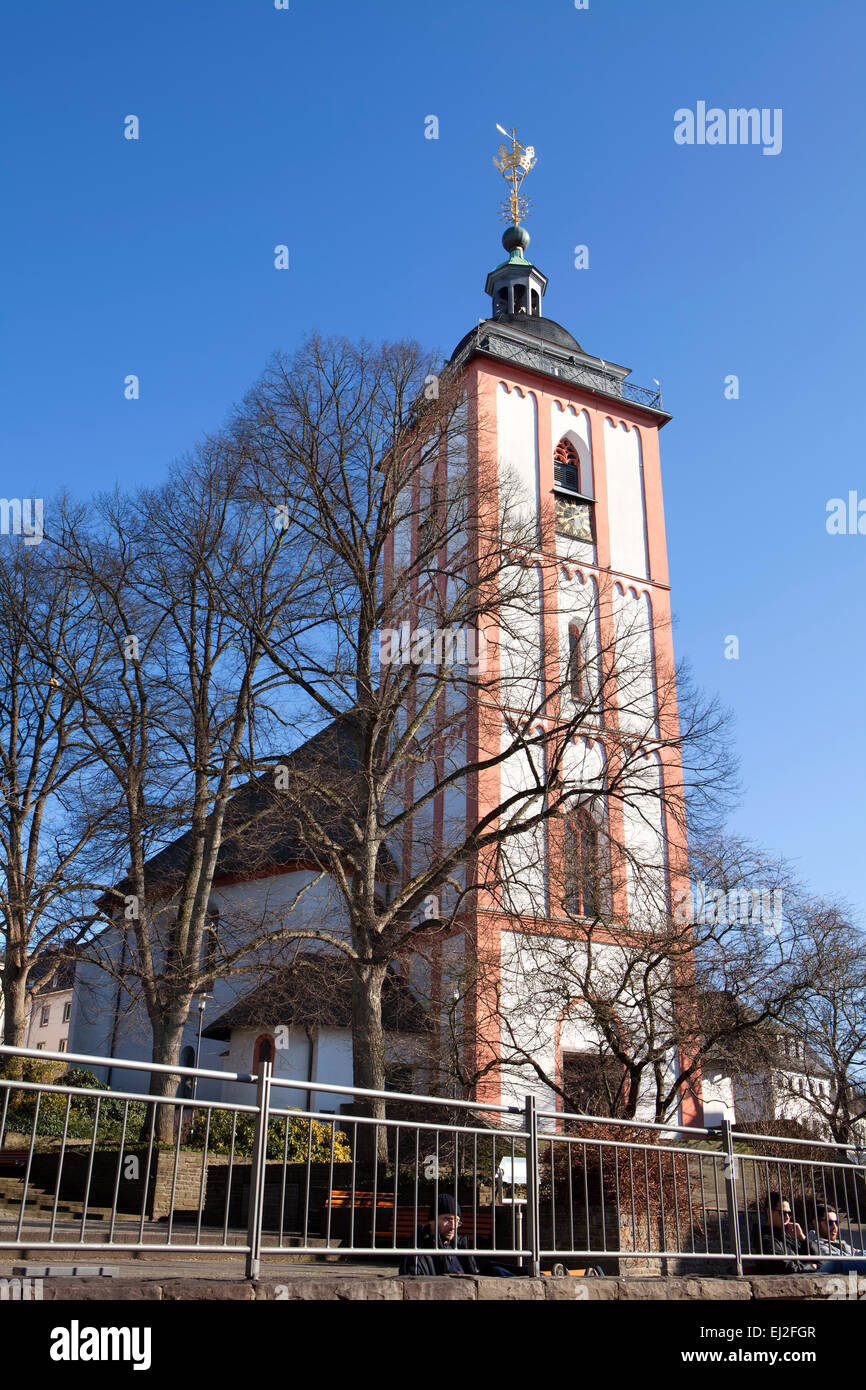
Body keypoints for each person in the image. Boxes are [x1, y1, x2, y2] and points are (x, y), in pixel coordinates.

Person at [398, 1194, 516, 1277]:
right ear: (432, 1220)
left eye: (457, 1221)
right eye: (448, 1219)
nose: (453, 1226)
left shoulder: (459, 1248)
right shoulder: (419, 1252)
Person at [749, 1191, 821, 1273]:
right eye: (783, 1213)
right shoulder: (764, 1238)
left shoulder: (791, 1236)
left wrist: (802, 1238)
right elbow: (785, 1266)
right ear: (769, 1211)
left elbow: (820, 1260)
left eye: (789, 1213)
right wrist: (811, 1267)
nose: (787, 1217)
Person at [807, 1203, 866, 1272]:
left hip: (849, 1276)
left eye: (836, 1223)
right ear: (815, 1223)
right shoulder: (813, 1243)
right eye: (830, 1223)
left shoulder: (841, 1243)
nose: (835, 1227)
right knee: (839, 1261)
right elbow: (835, 1259)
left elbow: (857, 1254)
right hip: (825, 1275)